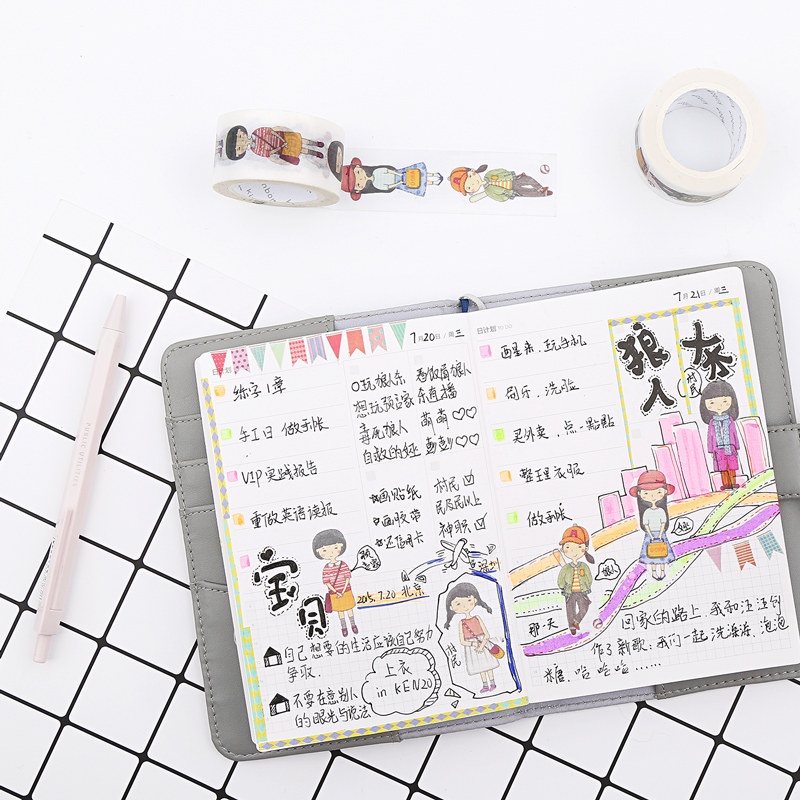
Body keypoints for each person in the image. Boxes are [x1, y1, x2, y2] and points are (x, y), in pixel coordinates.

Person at [442, 582, 503, 693]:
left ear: (475, 600)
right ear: (452, 607)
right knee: (481, 667)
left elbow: (487, 635)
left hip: (483, 644)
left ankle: (492, 683)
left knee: (488, 665)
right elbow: (462, 641)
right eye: (458, 603)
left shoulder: (477, 618)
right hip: (473, 648)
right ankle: (485, 685)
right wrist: (474, 644)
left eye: (468, 600)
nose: (465, 606)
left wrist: (481, 646)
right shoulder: (461, 623)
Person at [630, 470, 676, 580]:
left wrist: (660, 534)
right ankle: (654, 572)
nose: (652, 496)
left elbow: (663, 523)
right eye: (646, 493)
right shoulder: (646, 512)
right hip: (649, 535)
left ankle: (663, 571)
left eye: (658, 492)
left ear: (665, 492)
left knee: (662, 553)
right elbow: (646, 524)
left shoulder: (661, 511)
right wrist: (651, 535)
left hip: (661, 533)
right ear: (640, 494)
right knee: (652, 555)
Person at [312, 529, 357, 637]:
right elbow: (327, 582)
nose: (331, 552)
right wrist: (336, 592)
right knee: (340, 612)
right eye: (324, 550)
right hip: (335, 594)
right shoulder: (326, 568)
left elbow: (347, 579)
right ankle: (344, 627)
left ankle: (353, 625)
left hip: (346, 591)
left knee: (349, 609)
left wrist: (342, 590)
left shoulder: (343, 565)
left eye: (335, 547)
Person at [700, 380, 741, 490]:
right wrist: (711, 451)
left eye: (724, 401)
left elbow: (734, 434)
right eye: (712, 402)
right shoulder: (712, 422)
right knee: (722, 469)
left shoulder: (730, 420)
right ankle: (726, 485)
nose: (719, 406)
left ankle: (733, 484)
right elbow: (710, 437)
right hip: (718, 449)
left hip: (730, 448)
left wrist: (737, 447)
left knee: (732, 467)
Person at [340, 156, 443, 199]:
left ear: (359, 167)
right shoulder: (376, 185)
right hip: (400, 184)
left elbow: (388, 170)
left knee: (418, 174)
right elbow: (389, 187)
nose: (361, 178)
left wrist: (399, 175)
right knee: (417, 182)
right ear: (359, 190)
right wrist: (399, 183)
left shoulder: (376, 172)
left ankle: (434, 175)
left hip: (399, 174)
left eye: (358, 172)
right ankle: (433, 183)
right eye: (358, 184)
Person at [555, 525, 595, 635]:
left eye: (578, 546)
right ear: (563, 549)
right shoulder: (566, 568)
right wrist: (563, 587)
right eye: (568, 547)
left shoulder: (584, 566)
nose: (572, 550)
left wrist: (586, 586)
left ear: (585, 548)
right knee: (570, 610)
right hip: (569, 592)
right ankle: (572, 627)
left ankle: (576, 621)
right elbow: (560, 579)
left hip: (581, 592)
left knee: (584, 608)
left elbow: (589, 578)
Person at [224, 125, 324, 165]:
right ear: (240, 153)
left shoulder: (257, 132)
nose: (243, 142)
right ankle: (314, 153)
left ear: (242, 132)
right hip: (282, 149)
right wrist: (280, 149)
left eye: (240, 137)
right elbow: (269, 154)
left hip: (283, 137)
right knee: (300, 150)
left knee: (301, 141)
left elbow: (272, 130)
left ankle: (315, 144)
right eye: (239, 147)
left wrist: (284, 133)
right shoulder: (255, 150)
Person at [449, 164, 552, 202]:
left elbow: (500, 171)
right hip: (511, 190)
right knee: (526, 192)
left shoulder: (489, 174)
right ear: (471, 191)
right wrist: (506, 195)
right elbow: (499, 198)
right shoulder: (488, 191)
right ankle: (543, 193)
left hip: (513, 180)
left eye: (470, 177)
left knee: (528, 179)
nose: (472, 183)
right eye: (469, 187)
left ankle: (540, 188)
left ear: (473, 171)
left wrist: (511, 175)